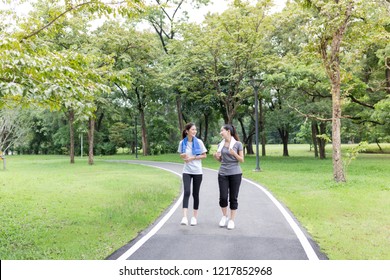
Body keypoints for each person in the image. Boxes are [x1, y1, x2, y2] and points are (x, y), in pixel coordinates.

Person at [213, 124, 244, 230]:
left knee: (233, 198)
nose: (220, 132)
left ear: (228, 131)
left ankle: (231, 220)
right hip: (223, 173)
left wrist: (234, 153)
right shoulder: (220, 145)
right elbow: (221, 160)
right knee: (223, 197)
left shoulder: (238, 144)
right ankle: (224, 216)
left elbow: (241, 160)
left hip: (235, 173)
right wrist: (216, 157)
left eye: (222, 131)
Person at [178, 123, 207, 226]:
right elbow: (181, 155)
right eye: (193, 130)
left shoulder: (199, 142)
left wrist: (192, 158)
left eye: (195, 130)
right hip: (186, 171)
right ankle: (185, 217)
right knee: (186, 192)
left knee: (195, 194)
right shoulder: (182, 143)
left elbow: (204, 155)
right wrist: (183, 156)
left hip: (197, 171)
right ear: (187, 131)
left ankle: (194, 217)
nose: (194, 131)